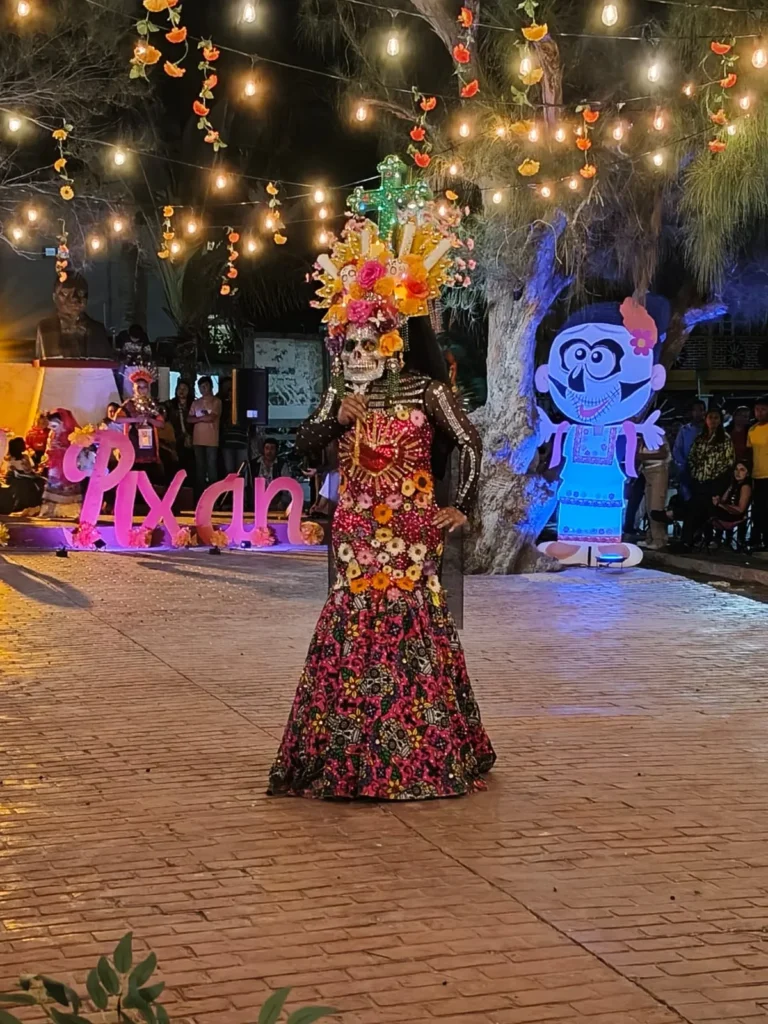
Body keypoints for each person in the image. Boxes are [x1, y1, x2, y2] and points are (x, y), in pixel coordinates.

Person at [268, 214, 495, 800]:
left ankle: (420, 752)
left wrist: (461, 506)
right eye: (350, 344)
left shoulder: (427, 390)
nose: (359, 352)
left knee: (411, 629)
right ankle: (348, 750)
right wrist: (333, 419)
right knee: (352, 628)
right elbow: (301, 445)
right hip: (355, 534)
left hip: (413, 534)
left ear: (394, 342)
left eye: (370, 341)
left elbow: (469, 443)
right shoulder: (340, 396)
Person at [680, 407, 735, 548]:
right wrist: (695, 473)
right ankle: (688, 540)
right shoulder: (700, 438)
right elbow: (691, 457)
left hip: (715, 482)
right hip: (698, 481)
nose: (713, 421)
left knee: (709, 510)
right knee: (693, 510)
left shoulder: (725, 438)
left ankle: (711, 539)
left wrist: (717, 479)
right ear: (706, 419)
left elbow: (728, 462)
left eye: (716, 418)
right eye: (710, 417)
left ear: (720, 420)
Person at [117, 367, 165, 483]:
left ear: (148, 388)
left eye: (144, 387)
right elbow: (117, 419)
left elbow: (161, 424)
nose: (141, 390)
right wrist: (134, 419)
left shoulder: (152, 405)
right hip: (133, 443)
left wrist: (149, 419)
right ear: (133, 388)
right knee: (133, 477)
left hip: (150, 445)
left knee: (150, 477)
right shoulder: (129, 404)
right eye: (138, 387)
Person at [189, 376, 221, 496]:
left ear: (211, 386)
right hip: (197, 440)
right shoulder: (196, 403)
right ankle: (200, 496)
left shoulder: (216, 402)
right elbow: (189, 419)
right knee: (200, 468)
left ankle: (213, 496)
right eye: (201, 387)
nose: (203, 389)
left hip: (212, 440)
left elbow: (212, 417)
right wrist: (203, 418)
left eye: (205, 386)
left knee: (212, 468)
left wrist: (197, 418)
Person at [638, 430, 671, 550]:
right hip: (646, 471)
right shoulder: (640, 437)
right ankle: (651, 537)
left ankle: (659, 539)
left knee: (656, 505)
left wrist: (644, 456)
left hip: (658, 470)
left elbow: (663, 453)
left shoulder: (656, 434)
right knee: (648, 506)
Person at [711, 461, 752, 550]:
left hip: (735, 515)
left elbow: (740, 509)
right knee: (706, 505)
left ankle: (713, 539)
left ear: (747, 473)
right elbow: (723, 500)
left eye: (742, 470)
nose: (738, 472)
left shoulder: (745, 487)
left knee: (706, 509)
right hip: (726, 511)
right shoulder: (733, 484)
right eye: (736, 469)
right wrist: (718, 500)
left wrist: (721, 505)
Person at [672, 398, 706, 502]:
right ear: (691, 412)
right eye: (695, 410)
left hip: (706, 471)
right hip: (687, 471)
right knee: (688, 499)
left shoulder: (709, 429)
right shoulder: (684, 430)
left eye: (701, 410)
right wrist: (684, 465)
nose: (698, 413)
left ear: (704, 412)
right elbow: (677, 450)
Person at [1, 437, 44, 514]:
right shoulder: (19, 458)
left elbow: (28, 470)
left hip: (20, 477)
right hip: (21, 478)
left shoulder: (14, 458)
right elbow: (27, 470)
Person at [164, 379, 195, 482]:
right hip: (174, 439)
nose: (181, 391)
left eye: (184, 389)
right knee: (175, 466)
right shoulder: (170, 405)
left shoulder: (194, 404)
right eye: (179, 389)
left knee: (190, 466)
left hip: (191, 440)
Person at [218, 377, 250, 477]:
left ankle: (241, 487)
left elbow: (249, 422)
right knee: (229, 471)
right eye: (230, 393)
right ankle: (231, 487)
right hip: (227, 441)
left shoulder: (244, 407)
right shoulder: (223, 405)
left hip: (241, 440)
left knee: (241, 469)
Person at [748, 395, 768, 550]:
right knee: (758, 510)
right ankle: (755, 540)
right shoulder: (752, 429)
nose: (759, 412)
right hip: (756, 476)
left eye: (763, 409)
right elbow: (750, 453)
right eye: (757, 409)